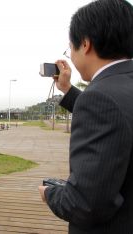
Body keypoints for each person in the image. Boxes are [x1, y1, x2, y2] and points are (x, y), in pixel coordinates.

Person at [38, 0, 133, 233]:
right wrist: (68, 90)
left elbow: (84, 204)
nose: (70, 54)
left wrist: (51, 194)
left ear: (86, 44)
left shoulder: (99, 96)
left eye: (70, 47)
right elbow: (120, 115)